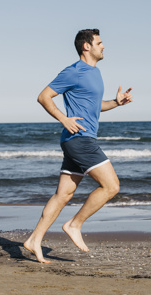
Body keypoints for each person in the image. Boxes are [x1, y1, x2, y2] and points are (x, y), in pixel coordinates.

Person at [23, 28, 133, 263]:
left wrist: (116, 102)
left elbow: (95, 106)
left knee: (63, 195)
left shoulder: (95, 73)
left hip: (79, 140)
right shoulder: (73, 71)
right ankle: (74, 224)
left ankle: (34, 239)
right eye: (100, 42)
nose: (103, 46)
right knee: (112, 186)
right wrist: (63, 119)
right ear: (87, 46)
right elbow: (43, 96)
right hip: (80, 140)